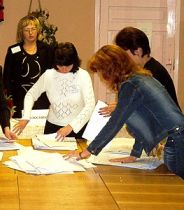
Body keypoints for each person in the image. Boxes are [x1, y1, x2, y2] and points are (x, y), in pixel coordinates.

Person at [65, 45, 184, 179]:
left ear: (111, 69)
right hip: (177, 136)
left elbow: (116, 121)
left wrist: (87, 151)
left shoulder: (131, 85)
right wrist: (134, 154)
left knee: (177, 186)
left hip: (176, 140)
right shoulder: (140, 78)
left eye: (102, 72)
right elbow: (142, 121)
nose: (103, 78)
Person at [99, 26, 181, 163]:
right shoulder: (144, 71)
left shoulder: (151, 73)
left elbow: (146, 116)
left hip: (171, 142)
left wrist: (123, 107)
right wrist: (134, 154)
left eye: (124, 54)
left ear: (138, 51)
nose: (122, 60)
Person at [13, 42, 95, 140]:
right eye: (60, 65)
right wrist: (26, 117)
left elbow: (90, 105)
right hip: (52, 127)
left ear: (75, 61)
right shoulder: (48, 75)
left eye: (68, 65)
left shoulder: (83, 76)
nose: (64, 69)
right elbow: (31, 95)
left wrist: (71, 126)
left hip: (77, 128)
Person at [3, 15, 54, 118]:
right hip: (19, 101)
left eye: (33, 29)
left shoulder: (47, 50)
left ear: (38, 30)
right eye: (27, 30)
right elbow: (7, 78)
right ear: (21, 32)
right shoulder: (13, 50)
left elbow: (53, 77)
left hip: (42, 100)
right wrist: (9, 103)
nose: (30, 33)